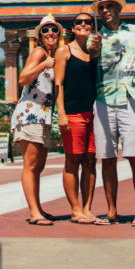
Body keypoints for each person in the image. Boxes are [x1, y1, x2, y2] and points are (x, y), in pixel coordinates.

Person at [88, 0, 135, 226]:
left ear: (119, 8)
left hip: (133, 97)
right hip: (104, 99)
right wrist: (94, 48)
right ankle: (111, 211)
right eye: (101, 8)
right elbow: (91, 55)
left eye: (109, 6)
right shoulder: (95, 37)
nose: (105, 10)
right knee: (107, 158)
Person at [10, 14, 62, 226]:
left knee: (38, 167)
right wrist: (44, 65)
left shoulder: (52, 55)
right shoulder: (39, 53)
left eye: (54, 30)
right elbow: (23, 78)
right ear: (40, 35)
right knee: (31, 165)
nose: (50, 33)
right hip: (30, 114)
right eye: (45, 30)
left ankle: (37, 208)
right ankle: (33, 212)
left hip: (43, 116)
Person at [54, 12, 99, 224]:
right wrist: (61, 113)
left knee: (90, 161)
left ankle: (87, 207)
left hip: (94, 113)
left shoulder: (95, 52)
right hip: (73, 113)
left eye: (87, 22)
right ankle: (75, 209)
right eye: (78, 22)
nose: (83, 24)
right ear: (72, 28)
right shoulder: (64, 51)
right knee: (73, 160)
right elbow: (58, 84)